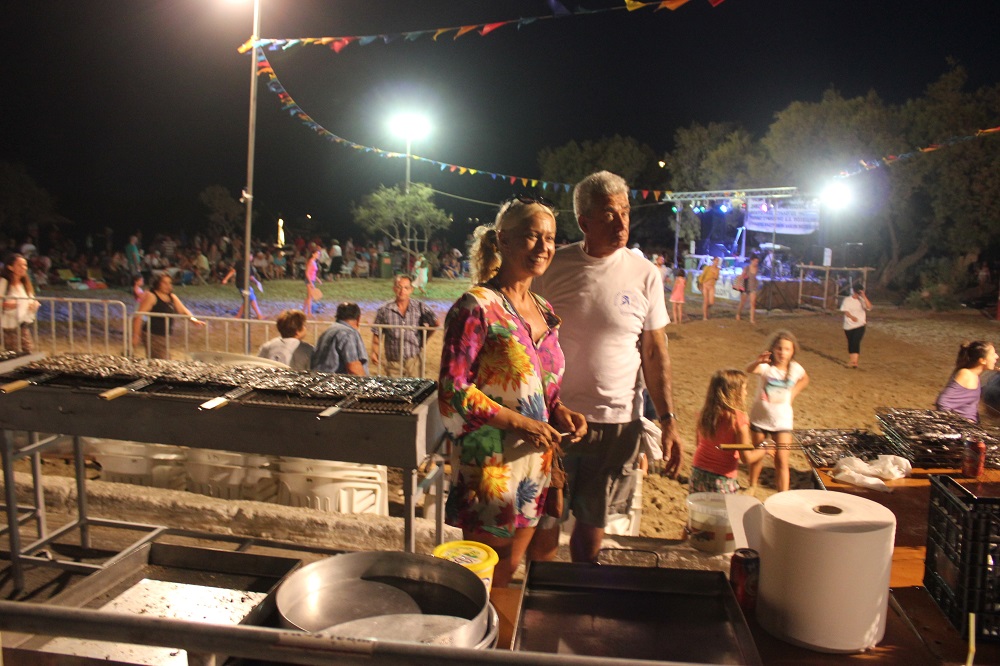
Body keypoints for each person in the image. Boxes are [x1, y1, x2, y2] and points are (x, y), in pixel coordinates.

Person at [531, 171, 684, 564]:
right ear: (585, 222)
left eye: (625, 212)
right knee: (544, 526)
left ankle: (582, 592)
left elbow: (654, 352)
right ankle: (540, 593)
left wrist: (667, 419)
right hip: (557, 420)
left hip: (618, 424)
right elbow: (527, 341)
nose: (621, 223)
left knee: (591, 532)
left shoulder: (645, 274)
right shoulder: (552, 268)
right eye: (609, 215)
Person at [439, 195, 587, 588]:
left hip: (534, 466)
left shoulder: (544, 309)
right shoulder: (476, 306)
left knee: (512, 567)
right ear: (504, 240)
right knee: (488, 578)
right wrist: (521, 423)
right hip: (490, 467)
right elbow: (453, 391)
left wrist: (559, 411)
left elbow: (539, 386)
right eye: (531, 236)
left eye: (550, 238)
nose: (543, 247)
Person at [745, 330, 809, 492]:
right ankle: (752, 486)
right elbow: (749, 369)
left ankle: (783, 495)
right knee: (757, 456)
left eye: (787, 349)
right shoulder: (766, 367)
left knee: (781, 460)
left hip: (782, 421)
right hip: (760, 419)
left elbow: (805, 379)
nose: (783, 353)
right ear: (773, 349)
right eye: (779, 348)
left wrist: (793, 394)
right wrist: (757, 361)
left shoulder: (795, 368)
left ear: (792, 351)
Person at [690, 369, 768, 493]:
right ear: (734, 392)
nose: (746, 393)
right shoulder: (739, 419)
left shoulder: (704, 414)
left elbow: (698, 444)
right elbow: (746, 458)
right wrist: (765, 448)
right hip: (722, 479)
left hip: (697, 473)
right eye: (744, 389)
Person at [371, 275, 440, 377]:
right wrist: (374, 352)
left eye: (406, 288)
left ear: (411, 290)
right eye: (399, 287)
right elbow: (377, 332)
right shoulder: (384, 310)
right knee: (395, 387)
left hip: (414, 360)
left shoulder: (420, 307)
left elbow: (435, 322)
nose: (402, 291)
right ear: (394, 288)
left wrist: (424, 339)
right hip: (393, 362)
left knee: (416, 386)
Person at [132, 274, 204, 359]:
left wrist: (193, 319)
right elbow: (138, 315)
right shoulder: (152, 296)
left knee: (162, 359)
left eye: (169, 283)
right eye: (164, 283)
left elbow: (183, 310)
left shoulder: (172, 297)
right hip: (153, 334)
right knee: (162, 360)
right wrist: (136, 335)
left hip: (164, 335)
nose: (168, 285)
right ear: (158, 283)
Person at [935, 341, 998, 422]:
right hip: (962, 426)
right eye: (993, 354)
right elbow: (943, 402)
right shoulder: (966, 374)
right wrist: (955, 423)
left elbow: (969, 395)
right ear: (982, 360)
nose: (996, 356)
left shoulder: (974, 375)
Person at [310, 302, 368, 375]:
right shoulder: (348, 334)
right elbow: (353, 367)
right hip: (336, 380)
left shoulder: (329, 331)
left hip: (321, 378)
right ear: (358, 318)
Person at [1, 254, 41, 352]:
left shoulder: (25, 284)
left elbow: (30, 299)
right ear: (10, 267)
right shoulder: (4, 282)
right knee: (15, 353)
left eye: (25, 265)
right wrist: (11, 305)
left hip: (22, 325)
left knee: (27, 352)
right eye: (19, 265)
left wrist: (34, 304)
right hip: (8, 326)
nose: (23, 268)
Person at [840, 282, 873, 368]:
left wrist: (864, 297)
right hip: (849, 325)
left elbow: (869, 307)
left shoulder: (862, 300)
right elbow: (846, 311)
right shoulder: (847, 300)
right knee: (851, 342)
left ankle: (854, 361)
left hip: (860, 325)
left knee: (856, 341)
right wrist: (851, 317)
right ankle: (852, 360)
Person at [736, 255, 760, 324]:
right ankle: (738, 314)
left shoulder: (757, 269)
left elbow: (755, 278)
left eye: (757, 262)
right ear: (751, 261)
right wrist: (738, 284)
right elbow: (741, 276)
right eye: (755, 261)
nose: (756, 263)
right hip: (746, 287)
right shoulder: (747, 268)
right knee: (742, 302)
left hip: (753, 287)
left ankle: (752, 319)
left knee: (753, 303)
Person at [303, 247, 322, 314]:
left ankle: (303, 310)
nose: (318, 255)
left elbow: (313, 273)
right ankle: (309, 312)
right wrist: (310, 282)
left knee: (309, 296)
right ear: (313, 254)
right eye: (317, 254)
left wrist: (317, 279)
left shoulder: (314, 262)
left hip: (312, 280)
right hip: (309, 280)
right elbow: (307, 273)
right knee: (310, 297)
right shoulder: (311, 262)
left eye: (319, 254)